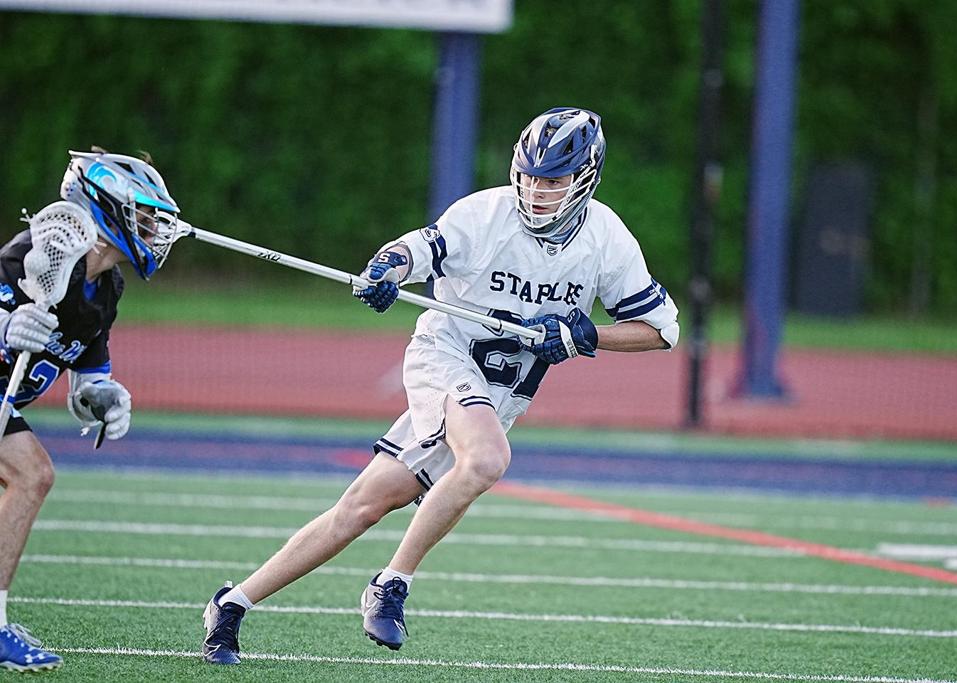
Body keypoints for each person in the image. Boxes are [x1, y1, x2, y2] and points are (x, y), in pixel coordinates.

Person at [201, 107, 679, 663]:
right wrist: (385, 270)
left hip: (499, 395)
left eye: (553, 181)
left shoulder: (607, 239)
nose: (535, 191)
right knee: (486, 460)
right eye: (529, 176)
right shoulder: (485, 213)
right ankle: (391, 584)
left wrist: (585, 334)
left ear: (586, 179)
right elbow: (416, 251)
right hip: (444, 357)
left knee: (361, 507)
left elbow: (660, 330)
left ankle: (231, 604)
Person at [0, 148, 181, 672]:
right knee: (31, 474)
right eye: (144, 216)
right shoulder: (33, 253)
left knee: (31, 476)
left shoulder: (105, 288)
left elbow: (87, 372)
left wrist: (103, 396)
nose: (154, 230)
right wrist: (6, 327)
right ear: (108, 206)